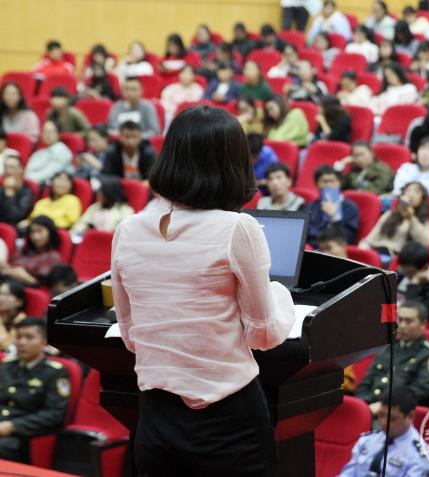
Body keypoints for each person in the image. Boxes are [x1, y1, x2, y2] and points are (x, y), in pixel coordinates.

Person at [111, 106, 294, 475]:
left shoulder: (128, 230)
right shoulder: (237, 228)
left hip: (155, 419)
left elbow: (130, 337)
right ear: (234, 164)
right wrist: (282, 296)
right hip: (229, 422)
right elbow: (264, 335)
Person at [0, 318, 70, 462]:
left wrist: (12, 426)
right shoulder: (6, 367)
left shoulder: (54, 373)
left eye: (29, 337)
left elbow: (54, 414)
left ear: (44, 341)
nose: (22, 342)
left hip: (21, 436)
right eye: (18, 337)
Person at [355, 301, 429, 408]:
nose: (402, 325)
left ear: (423, 324)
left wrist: (384, 406)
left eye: (408, 321)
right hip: (369, 405)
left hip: (396, 411)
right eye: (400, 320)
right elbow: (365, 383)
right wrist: (362, 404)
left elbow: (421, 390)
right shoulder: (388, 347)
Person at [338, 387, 429, 476]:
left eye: (392, 418)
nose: (383, 422)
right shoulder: (368, 440)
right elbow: (348, 473)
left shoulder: (420, 457)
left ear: (410, 416)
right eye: (381, 415)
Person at [360, 182, 429, 258]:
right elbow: (368, 240)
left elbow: (425, 243)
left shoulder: (423, 220)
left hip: (395, 257)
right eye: (408, 191)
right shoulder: (390, 214)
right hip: (375, 252)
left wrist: (412, 218)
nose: (411, 194)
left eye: (416, 192)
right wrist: (363, 251)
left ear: (422, 198)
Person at [306, 165, 359, 247]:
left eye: (332, 181)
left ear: (339, 183)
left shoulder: (350, 208)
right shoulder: (310, 207)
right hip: (312, 249)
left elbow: (349, 238)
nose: (328, 185)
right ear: (317, 184)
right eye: (324, 181)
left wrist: (334, 217)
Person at [396, 241, 429, 318]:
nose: (405, 275)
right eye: (402, 269)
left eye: (410, 273)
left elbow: (411, 314)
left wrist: (413, 285)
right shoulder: (402, 274)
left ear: (425, 268)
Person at [5, 216, 64, 287]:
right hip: (7, 281)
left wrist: (25, 277)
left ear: (50, 232)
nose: (35, 236)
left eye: (39, 231)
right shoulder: (23, 250)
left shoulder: (53, 256)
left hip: (21, 289)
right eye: (32, 232)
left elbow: (45, 286)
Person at [71, 176, 135, 236]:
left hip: (110, 241)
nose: (98, 195)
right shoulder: (94, 207)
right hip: (90, 239)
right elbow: (81, 224)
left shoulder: (125, 210)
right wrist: (82, 230)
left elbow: (123, 232)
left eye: (101, 193)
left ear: (110, 193)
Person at [24, 120, 73, 185]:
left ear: (59, 134)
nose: (47, 135)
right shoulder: (39, 152)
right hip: (31, 183)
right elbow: (27, 171)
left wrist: (27, 180)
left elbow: (47, 174)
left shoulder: (62, 152)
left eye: (51, 132)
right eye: (45, 132)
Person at [0, 155, 34, 225]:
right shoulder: (1, 188)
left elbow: (14, 217)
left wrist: (9, 193)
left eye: (12, 167)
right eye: (6, 167)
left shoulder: (26, 192)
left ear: (20, 169)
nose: (8, 170)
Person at [0, 279, 26, 353]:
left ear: (19, 302)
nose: (1, 298)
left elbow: (8, 346)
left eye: (6, 295)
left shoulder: (23, 321)